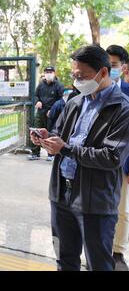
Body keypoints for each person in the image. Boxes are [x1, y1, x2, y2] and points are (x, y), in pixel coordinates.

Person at [31, 45, 129, 271]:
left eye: (82, 76)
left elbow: (111, 157)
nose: (77, 81)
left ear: (103, 73)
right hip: (61, 195)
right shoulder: (75, 102)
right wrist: (47, 138)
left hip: (94, 201)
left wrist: (65, 148)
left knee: (98, 264)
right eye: (74, 76)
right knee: (64, 260)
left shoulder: (122, 109)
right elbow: (59, 134)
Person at [107, 44, 129, 270]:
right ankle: (99, 247)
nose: (109, 69)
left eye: (113, 65)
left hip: (122, 164)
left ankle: (117, 251)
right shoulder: (93, 92)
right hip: (96, 161)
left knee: (121, 210)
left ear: (123, 68)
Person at [28, 66, 64, 161]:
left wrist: (53, 109)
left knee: (50, 133)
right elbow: (36, 95)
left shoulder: (59, 85)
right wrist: (37, 101)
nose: (49, 74)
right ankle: (35, 153)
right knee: (36, 131)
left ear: (54, 73)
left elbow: (61, 100)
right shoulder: (41, 85)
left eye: (51, 72)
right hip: (41, 112)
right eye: (47, 72)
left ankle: (51, 154)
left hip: (52, 113)